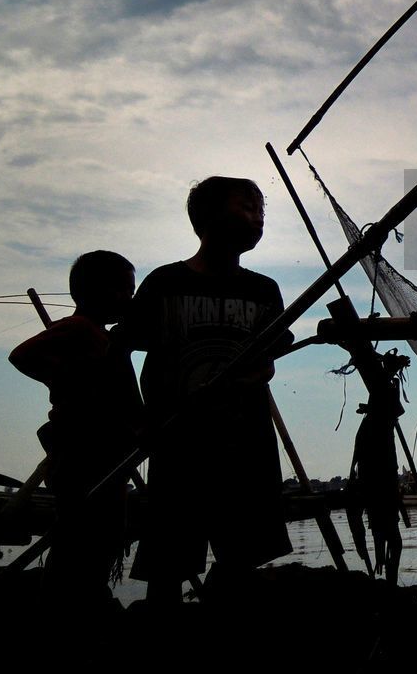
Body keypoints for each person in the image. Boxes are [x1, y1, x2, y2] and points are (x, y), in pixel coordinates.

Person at [123, 176, 292, 602]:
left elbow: (269, 360)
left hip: (245, 442)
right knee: (168, 564)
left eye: (261, 212)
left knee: (241, 558)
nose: (257, 220)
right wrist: (138, 417)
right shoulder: (165, 285)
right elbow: (121, 347)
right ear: (207, 218)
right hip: (179, 442)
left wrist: (253, 374)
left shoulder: (263, 290)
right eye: (246, 207)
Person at [9, 250, 142, 605]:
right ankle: (69, 603)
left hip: (110, 452)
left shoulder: (107, 336)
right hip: (83, 453)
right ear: (92, 292)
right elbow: (21, 356)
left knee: (104, 532)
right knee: (82, 533)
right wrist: (68, 379)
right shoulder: (79, 328)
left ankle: (84, 597)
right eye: (123, 291)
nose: (128, 299)